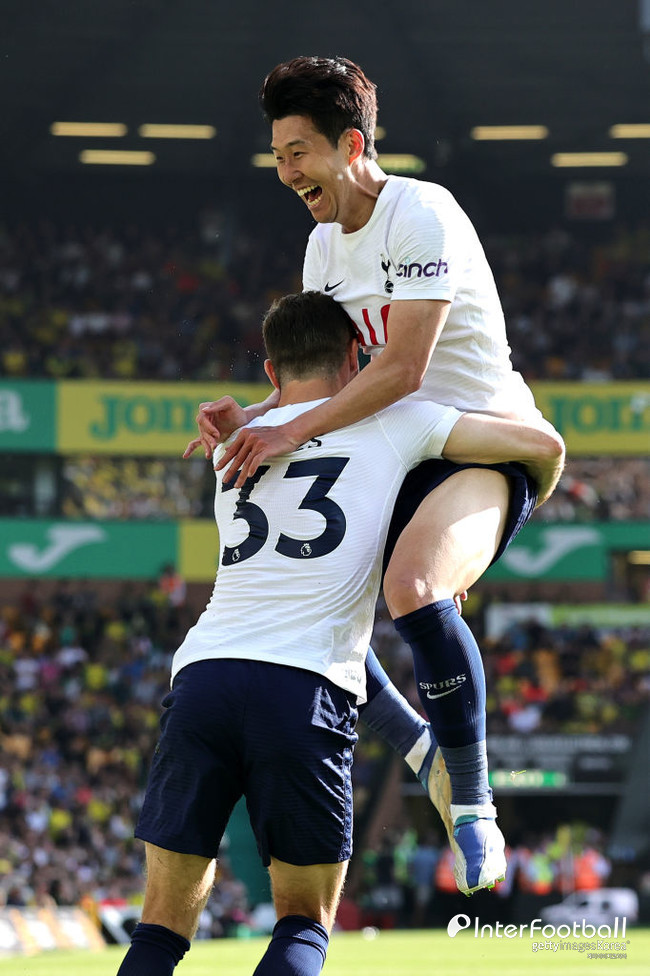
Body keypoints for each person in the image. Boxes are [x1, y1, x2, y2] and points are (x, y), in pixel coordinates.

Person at [185, 56, 565, 895]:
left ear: (351, 145)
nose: (287, 173)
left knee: (412, 586)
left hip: (480, 444)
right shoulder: (323, 246)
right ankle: (417, 745)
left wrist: (293, 431)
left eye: (298, 153)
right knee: (313, 592)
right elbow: (326, 375)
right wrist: (258, 413)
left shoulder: (423, 214)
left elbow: (400, 369)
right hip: (391, 447)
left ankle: (472, 800)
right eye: (278, 156)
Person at [121, 291, 564, 975]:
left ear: (271, 373)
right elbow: (540, 447)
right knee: (303, 924)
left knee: (157, 932)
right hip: (303, 690)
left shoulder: (230, 447)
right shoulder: (397, 421)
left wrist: (257, 412)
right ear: (358, 357)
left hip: (202, 677)